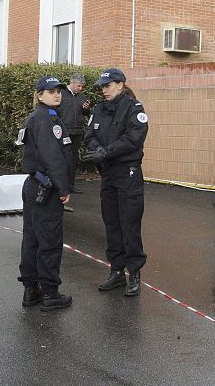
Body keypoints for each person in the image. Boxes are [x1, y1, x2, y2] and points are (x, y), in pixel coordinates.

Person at [84, 68, 148, 297]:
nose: (104, 90)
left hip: (127, 173)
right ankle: (116, 270)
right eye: (102, 86)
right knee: (111, 222)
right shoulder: (99, 109)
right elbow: (89, 135)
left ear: (120, 84)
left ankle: (134, 273)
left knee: (129, 223)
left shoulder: (134, 108)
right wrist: (98, 151)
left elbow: (133, 139)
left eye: (107, 86)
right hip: (108, 173)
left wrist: (106, 152)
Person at [16, 76, 73, 311]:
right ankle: (50, 293)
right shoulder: (46, 120)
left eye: (58, 91)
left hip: (33, 185)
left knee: (31, 239)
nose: (56, 95)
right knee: (49, 240)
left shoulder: (35, 117)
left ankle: (31, 290)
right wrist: (63, 188)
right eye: (50, 92)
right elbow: (53, 157)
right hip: (46, 188)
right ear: (39, 95)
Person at [58, 73, 90, 205]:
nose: (80, 88)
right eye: (79, 86)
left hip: (77, 132)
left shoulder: (81, 97)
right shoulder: (61, 94)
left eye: (82, 86)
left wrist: (86, 109)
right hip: (64, 131)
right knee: (63, 159)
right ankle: (61, 185)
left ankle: (71, 185)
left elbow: (86, 114)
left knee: (73, 160)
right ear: (71, 83)